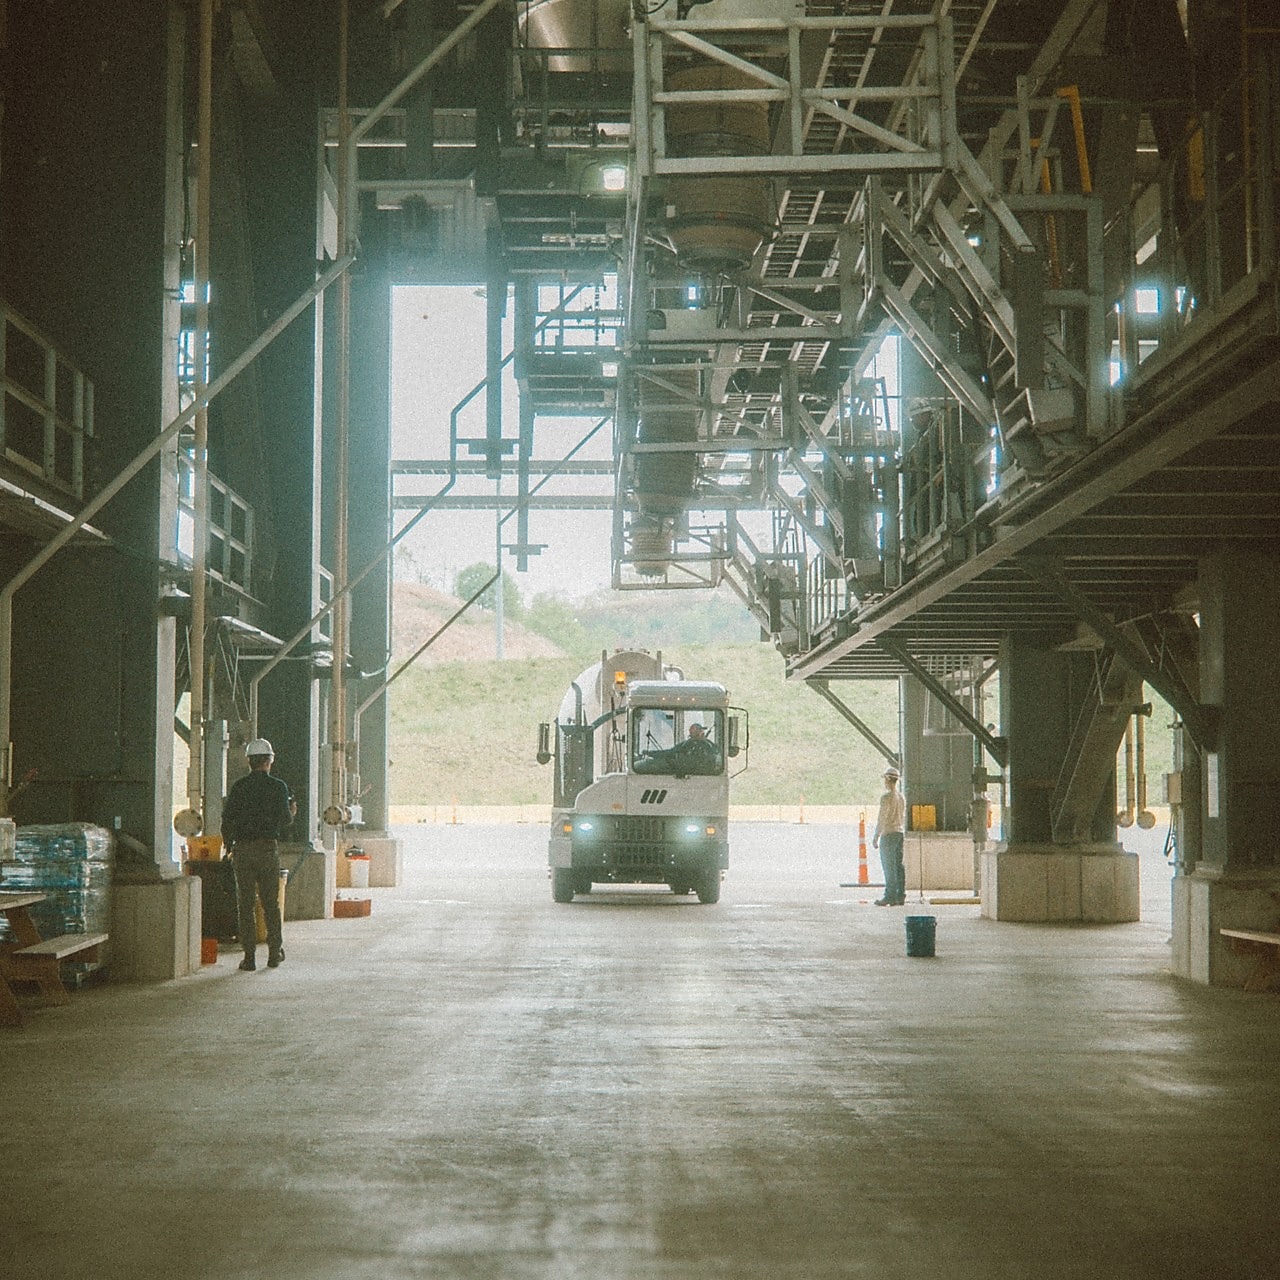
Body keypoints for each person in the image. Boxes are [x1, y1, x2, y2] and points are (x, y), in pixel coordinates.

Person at [220, 737, 296, 971]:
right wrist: (292, 812)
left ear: (249, 762)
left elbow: (227, 820)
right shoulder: (278, 787)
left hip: (243, 851)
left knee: (245, 904)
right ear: (269, 761)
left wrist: (229, 846)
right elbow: (284, 820)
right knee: (270, 904)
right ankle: (274, 953)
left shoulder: (239, 787)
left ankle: (249, 957)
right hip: (266, 850)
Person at [872, 765, 906, 906]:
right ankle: (900, 895)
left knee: (889, 867)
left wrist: (876, 835)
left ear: (888, 780)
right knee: (898, 866)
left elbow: (883, 818)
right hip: (899, 833)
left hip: (889, 834)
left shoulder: (886, 798)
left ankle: (889, 896)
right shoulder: (901, 797)